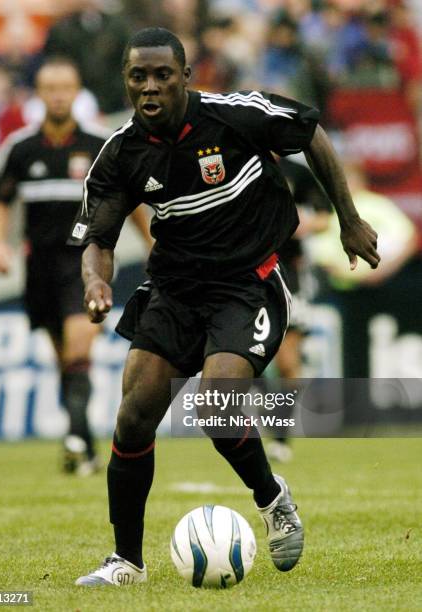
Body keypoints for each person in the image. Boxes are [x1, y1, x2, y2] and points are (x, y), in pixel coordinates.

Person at [69, 27, 380, 586]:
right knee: (134, 413)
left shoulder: (237, 115)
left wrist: (349, 219)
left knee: (217, 400)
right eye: (138, 77)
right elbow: (99, 237)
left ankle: (271, 497)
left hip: (248, 282)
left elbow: (311, 134)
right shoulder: (121, 153)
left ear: (186, 76)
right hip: (175, 289)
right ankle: (126, 562)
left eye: (163, 75)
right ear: (126, 81)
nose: (150, 87)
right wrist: (95, 282)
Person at [0, 56, 151, 476]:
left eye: (65, 88)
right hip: (38, 266)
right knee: (65, 361)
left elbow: (130, 198)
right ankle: (84, 442)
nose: (58, 95)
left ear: (77, 92)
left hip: (85, 263)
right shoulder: (20, 148)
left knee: (80, 349)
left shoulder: (100, 144)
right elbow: (0, 201)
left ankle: (77, 439)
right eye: (50, 88)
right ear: (38, 95)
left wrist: (154, 243)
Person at [265, 155, 332, 463]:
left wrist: (301, 224)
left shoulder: (297, 173)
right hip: (243, 272)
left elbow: (325, 217)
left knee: (289, 362)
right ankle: (266, 404)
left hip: (290, 277)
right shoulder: (237, 158)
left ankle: (280, 437)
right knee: (243, 359)